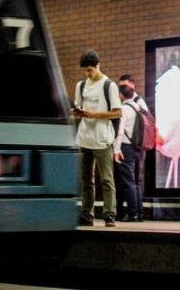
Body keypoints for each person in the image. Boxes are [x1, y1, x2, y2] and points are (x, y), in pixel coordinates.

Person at [73, 49, 122, 227]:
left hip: (102, 138)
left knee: (107, 179)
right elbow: (78, 110)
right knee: (86, 180)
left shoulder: (109, 85)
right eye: (85, 71)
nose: (88, 74)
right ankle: (87, 214)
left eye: (90, 70)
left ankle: (109, 214)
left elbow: (117, 113)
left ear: (98, 65)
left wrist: (94, 115)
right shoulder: (80, 86)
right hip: (84, 137)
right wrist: (79, 114)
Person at [115, 73, 149, 220]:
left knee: (129, 181)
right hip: (140, 148)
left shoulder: (124, 108)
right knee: (136, 181)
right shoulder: (139, 106)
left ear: (121, 95)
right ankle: (139, 213)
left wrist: (116, 149)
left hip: (127, 147)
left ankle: (133, 212)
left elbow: (120, 131)